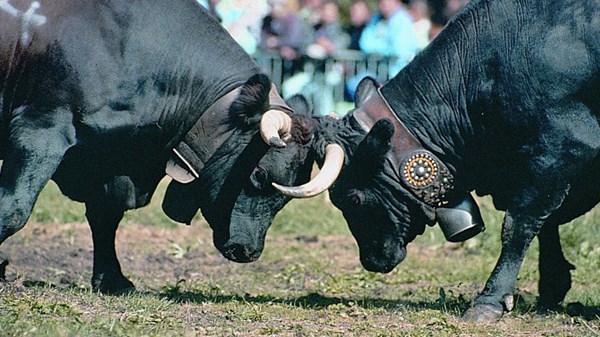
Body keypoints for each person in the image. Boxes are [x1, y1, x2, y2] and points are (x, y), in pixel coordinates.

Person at [359, 0, 419, 76]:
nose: (383, 3)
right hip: (375, 72)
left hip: (397, 74)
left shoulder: (403, 20)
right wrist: (385, 47)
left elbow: (399, 50)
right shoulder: (375, 19)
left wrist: (378, 47)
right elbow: (365, 44)